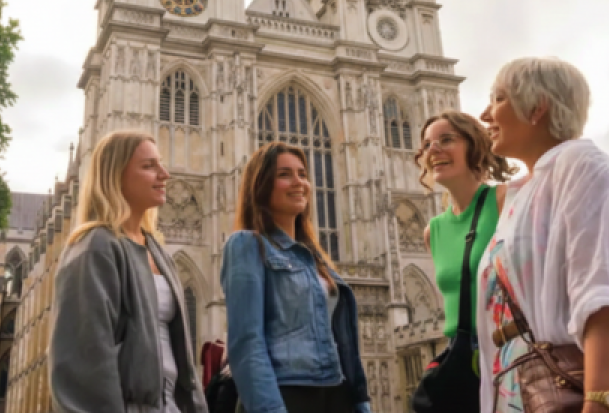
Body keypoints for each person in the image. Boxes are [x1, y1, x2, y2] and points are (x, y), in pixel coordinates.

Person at [477, 57, 609, 413]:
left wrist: (601, 401)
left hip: (571, 389)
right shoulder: (524, 192)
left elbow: (605, 296)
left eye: (498, 99)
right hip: (520, 387)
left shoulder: (584, 167)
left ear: (537, 107)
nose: (485, 114)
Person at [49, 130, 208, 413]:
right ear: (115, 176)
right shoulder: (96, 246)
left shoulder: (158, 252)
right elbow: (83, 362)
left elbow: (181, 360)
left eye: (160, 164)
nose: (165, 174)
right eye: (149, 166)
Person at [221, 142, 371, 413]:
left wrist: (361, 401)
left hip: (335, 393)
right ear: (262, 185)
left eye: (302, 174)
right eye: (284, 174)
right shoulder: (247, 245)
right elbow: (246, 342)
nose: (299, 182)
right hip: (286, 393)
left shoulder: (315, 258)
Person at [415, 110, 515, 345]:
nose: (433, 149)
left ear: (475, 146)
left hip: (508, 345)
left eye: (446, 140)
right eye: (427, 144)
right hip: (461, 353)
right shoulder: (434, 231)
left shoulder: (504, 200)